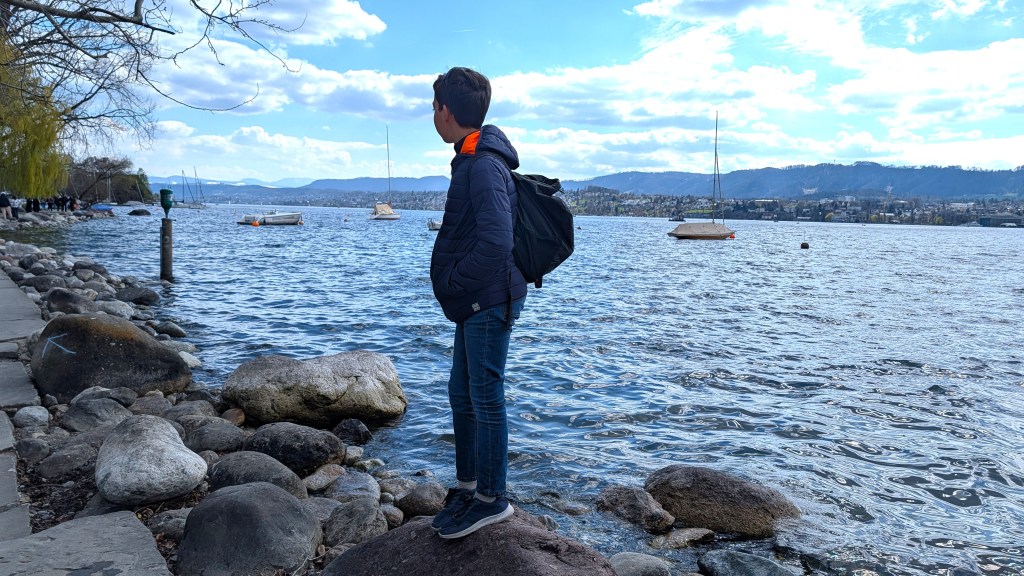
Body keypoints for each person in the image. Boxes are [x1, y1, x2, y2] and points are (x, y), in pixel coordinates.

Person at [428, 66, 528, 539]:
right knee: (461, 393)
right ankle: (468, 487)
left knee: (485, 398)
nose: (433, 114)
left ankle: (492, 499)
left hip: (488, 299)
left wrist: (454, 282)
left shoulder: (484, 163)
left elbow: (496, 242)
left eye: (434, 107)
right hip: (476, 300)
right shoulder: (470, 156)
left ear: (447, 111)